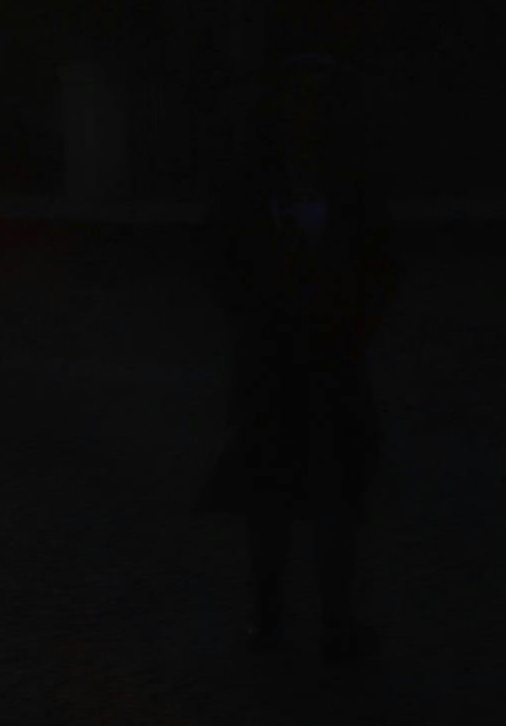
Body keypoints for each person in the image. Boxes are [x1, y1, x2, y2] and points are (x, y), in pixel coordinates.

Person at [202, 54, 393, 662]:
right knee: (273, 497)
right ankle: (272, 618)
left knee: (331, 497)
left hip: (330, 357)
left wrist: (353, 318)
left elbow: (381, 260)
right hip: (273, 359)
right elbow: (220, 265)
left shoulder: (345, 181)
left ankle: (330, 621)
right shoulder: (251, 183)